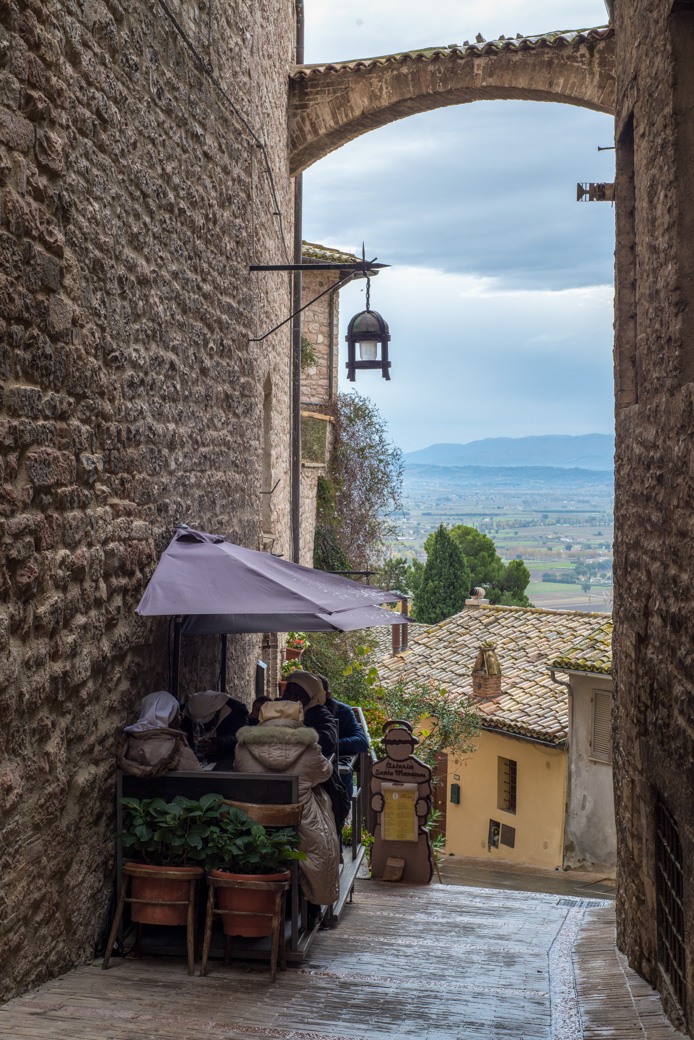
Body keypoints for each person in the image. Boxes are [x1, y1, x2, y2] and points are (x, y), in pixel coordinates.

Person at [234, 699, 340, 909]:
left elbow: (238, 771)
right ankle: (309, 905)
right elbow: (324, 773)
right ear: (299, 718)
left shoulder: (243, 747)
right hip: (300, 825)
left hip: (254, 825)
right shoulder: (310, 748)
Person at [282, 671, 349, 839]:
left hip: (314, 778)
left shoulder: (319, 714)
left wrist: (297, 736)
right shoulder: (274, 708)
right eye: (288, 693)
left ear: (311, 699)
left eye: (298, 696)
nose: (291, 699)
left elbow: (329, 739)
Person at [119, 691, 201, 776]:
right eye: (178, 715)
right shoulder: (179, 750)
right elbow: (200, 779)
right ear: (169, 717)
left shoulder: (129, 744)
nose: (180, 719)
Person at [316, 674, 369, 799]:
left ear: (327, 695)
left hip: (337, 780)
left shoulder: (342, 711)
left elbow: (362, 742)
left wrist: (330, 745)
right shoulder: (299, 710)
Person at [181, 690, 249, 770]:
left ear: (218, 713)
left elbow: (239, 736)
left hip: (227, 763)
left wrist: (216, 743)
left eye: (208, 724)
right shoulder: (186, 713)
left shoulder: (236, 710)